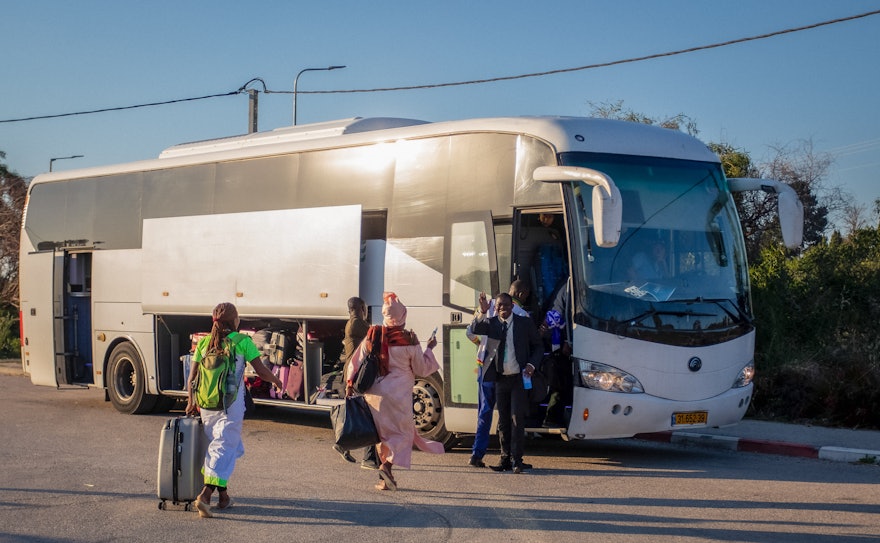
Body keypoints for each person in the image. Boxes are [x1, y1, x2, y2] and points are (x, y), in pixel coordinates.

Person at [185, 302, 283, 518]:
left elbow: (192, 378)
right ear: (234, 321)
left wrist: (191, 401)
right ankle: (205, 495)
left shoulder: (204, 344)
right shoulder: (242, 341)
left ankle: (224, 498)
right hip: (230, 405)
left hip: (207, 405)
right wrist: (277, 380)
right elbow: (261, 371)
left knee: (224, 445)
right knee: (223, 447)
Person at [345, 292, 444, 490]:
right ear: (403, 317)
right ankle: (386, 466)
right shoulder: (409, 340)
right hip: (398, 397)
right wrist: (429, 348)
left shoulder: (373, 334)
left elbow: (356, 361)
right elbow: (422, 369)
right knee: (403, 435)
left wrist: (349, 384)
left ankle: (384, 480)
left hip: (375, 394)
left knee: (382, 435)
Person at [469, 291, 544, 473]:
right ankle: (504, 459)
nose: (503, 309)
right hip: (501, 379)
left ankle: (517, 460)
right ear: (496, 308)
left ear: (512, 307)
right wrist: (482, 310)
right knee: (503, 421)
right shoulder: (492, 323)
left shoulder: (524, 323)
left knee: (517, 419)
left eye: (507, 306)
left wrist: (532, 364)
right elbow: (474, 330)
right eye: (500, 306)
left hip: (518, 378)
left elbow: (538, 346)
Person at [332, 296, 380, 470]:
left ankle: (344, 445)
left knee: (357, 413)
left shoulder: (351, 322)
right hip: (356, 373)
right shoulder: (357, 323)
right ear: (360, 308)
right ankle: (368, 458)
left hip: (354, 373)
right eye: (365, 308)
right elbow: (375, 333)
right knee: (367, 415)